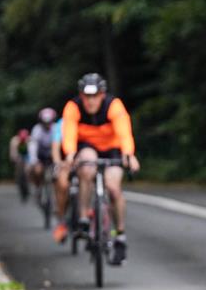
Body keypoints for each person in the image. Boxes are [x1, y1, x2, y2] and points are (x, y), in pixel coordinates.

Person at [56, 73, 140, 264]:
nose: (90, 101)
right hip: (87, 147)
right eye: (87, 96)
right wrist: (70, 154)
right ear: (81, 95)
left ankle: (120, 235)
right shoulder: (73, 106)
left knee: (113, 188)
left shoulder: (113, 105)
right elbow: (69, 132)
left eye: (95, 96)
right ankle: (84, 217)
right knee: (87, 166)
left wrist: (129, 154)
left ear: (102, 94)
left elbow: (124, 131)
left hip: (112, 148)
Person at [27, 108, 57, 202]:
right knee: (37, 170)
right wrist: (34, 160)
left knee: (58, 173)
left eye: (49, 122)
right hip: (40, 155)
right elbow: (33, 145)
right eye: (45, 122)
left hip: (53, 154)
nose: (47, 125)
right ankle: (38, 186)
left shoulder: (56, 128)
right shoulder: (37, 129)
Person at [8, 128, 31, 202]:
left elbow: (32, 152)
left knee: (27, 172)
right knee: (18, 173)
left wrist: (29, 163)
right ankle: (20, 185)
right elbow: (13, 152)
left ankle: (27, 186)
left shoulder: (29, 140)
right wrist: (15, 160)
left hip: (27, 157)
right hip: (18, 157)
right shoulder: (14, 140)